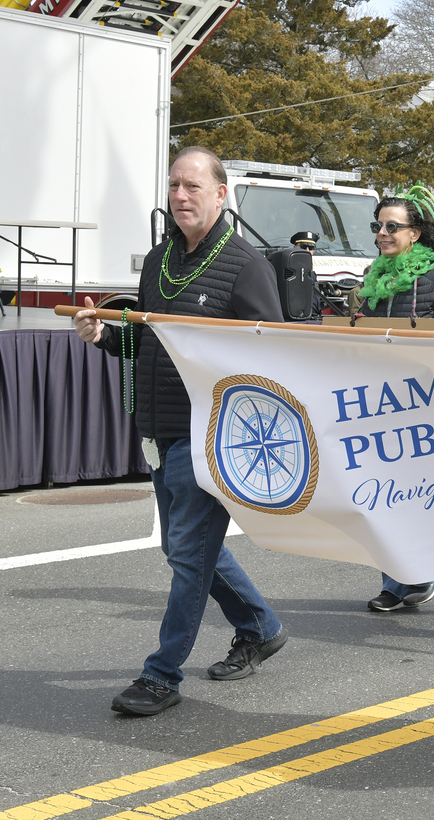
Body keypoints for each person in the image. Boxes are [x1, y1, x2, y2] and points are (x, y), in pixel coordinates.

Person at [73, 147, 287, 717]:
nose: (181, 196)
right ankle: (260, 626)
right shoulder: (157, 259)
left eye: (193, 186)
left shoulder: (245, 265)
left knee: (189, 557)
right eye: (173, 186)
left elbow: (274, 354)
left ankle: (161, 675)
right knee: (183, 547)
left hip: (209, 433)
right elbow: (145, 343)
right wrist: (102, 337)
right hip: (159, 430)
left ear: (222, 194)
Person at [355, 185, 434, 613]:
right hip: (376, 401)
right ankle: (393, 579)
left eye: (392, 226)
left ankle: (423, 569)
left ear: (415, 233)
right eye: (377, 226)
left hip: (426, 402)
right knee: (381, 498)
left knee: (417, 495)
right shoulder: (373, 275)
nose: (383, 233)